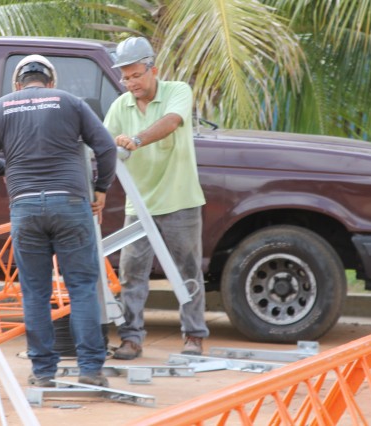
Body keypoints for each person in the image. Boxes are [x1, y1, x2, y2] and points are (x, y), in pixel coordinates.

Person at [0, 54, 117, 387]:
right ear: (51, 82)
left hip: (25, 207)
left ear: (17, 83)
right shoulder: (70, 102)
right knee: (81, 288)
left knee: (35, 293)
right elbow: (106, 146)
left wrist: (9, 171)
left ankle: (42, 372)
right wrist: (101, 188)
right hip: (70, 202)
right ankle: (91, 370)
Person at [103, 37, 209, 360]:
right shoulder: (121, 106)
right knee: (132, 273)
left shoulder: (177, 91)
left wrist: (135, 139)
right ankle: (131, 339)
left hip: (180, 200)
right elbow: (104, 144)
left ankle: (193, 336)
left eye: (135, 75)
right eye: (125, 77)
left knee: (187, 270)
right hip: (140, 204)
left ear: (153, 70)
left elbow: (171, 123)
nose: (130, 83)